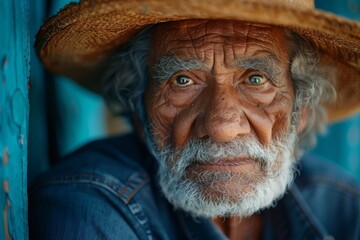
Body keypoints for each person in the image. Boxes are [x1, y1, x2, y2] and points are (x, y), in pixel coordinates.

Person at [29, 0, 360, 239]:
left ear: (300, 111)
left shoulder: (344, 209)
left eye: (256, 79)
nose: (222, 127)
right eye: (183, 81)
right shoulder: (90, 208)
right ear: (139, 111)